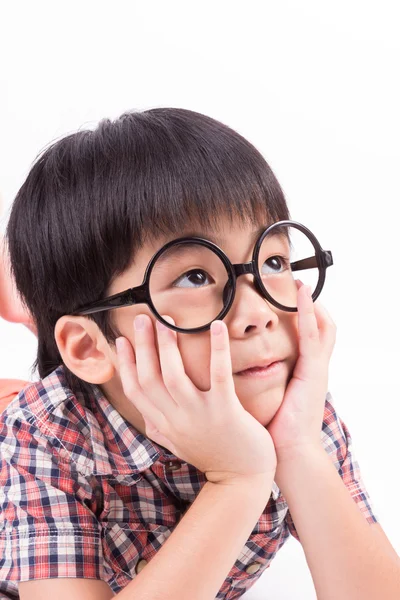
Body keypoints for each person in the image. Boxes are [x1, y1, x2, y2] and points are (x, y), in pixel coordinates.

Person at [0, 109, 398, 600]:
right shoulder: (46, 435)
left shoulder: (291, 404)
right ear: (89, 347)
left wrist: (298, 451)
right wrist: (237, 480)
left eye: (272, 261)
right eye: (195, 276)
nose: (257, 312)